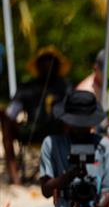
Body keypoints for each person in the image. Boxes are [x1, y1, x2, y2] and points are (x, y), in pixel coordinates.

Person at [1, 46, 71, 185]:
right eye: (44, 60)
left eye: (51, 60)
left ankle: (65, 172)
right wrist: (6, 118)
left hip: (58, 131)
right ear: (38, 65)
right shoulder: (27, 87)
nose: (47, 64)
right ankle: (15, 179)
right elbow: (11, 112)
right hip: (31, 130)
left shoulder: (65, 87)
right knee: (6, 123)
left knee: (69, 121)